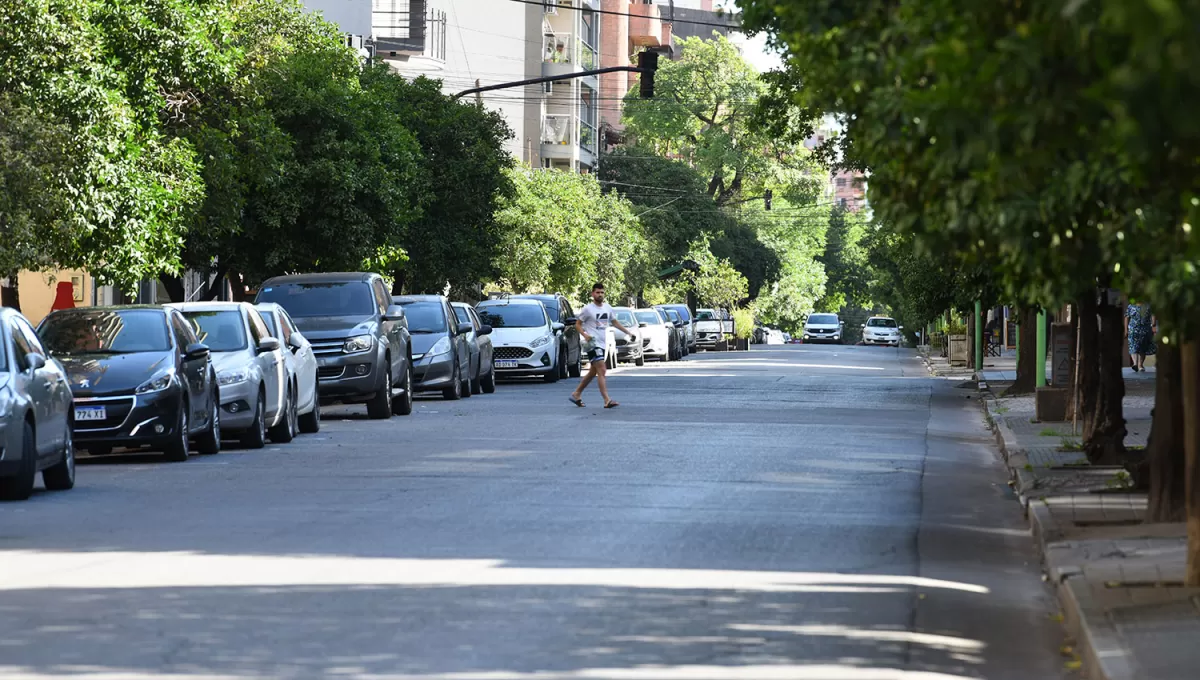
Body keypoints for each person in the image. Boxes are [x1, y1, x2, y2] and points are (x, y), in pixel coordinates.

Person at [569, 283, 636, 409]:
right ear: (592, 294)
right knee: (602, 370)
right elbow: (577, 324)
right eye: (597, 292)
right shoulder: (588, 309)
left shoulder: (608, 308)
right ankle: (607, 400)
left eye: (602, 292)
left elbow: (614, 322)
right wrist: (585, 335)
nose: (600, 295)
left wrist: (628, 332)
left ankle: (576, 394)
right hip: (593, 344)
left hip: (603, 343)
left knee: (593, 372)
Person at [1125, 302, 1156, 372]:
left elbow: (1153, 314)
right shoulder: (1131, 306)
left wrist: (1153, 324)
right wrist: (1126, 330)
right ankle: (1135, 364)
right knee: (1133, 346)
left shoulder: (1148, 306)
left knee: (1143, 347)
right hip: (1133, 329)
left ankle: (1140, 365)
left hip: (1145, 329)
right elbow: (1127, 317)